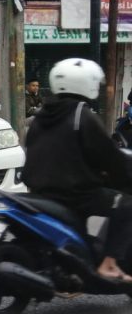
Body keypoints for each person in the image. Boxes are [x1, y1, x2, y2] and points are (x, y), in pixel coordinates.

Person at [24, 58, 132, 283]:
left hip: (38, 191)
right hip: (74, 193)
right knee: (126, 204)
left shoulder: (42, 115)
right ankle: (109, 264)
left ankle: (73, 266)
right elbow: (108, 156)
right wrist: (122, 173)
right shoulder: (82, 115)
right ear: (87, 84)